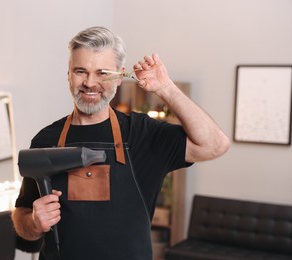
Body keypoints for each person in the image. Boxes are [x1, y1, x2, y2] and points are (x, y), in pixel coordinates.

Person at [12, 26, 230, 260]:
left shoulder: (143, 134)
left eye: (102, 73)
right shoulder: (45, 140)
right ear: (68, 74)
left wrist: (166, 88)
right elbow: (21, 216)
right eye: (80, 71)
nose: (90, 82)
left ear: (119, 76)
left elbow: (214, 145)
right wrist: (34, 222)